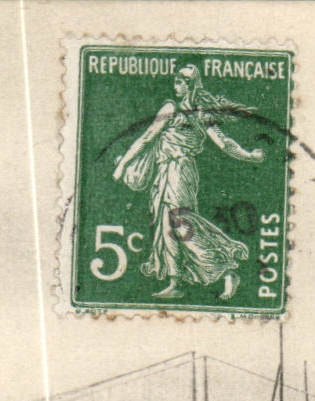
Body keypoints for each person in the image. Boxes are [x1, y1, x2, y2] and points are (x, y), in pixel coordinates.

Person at [112, 64, 265, 301]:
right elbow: (148, 137)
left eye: (180, 82)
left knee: (181, 223)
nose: (176, 86)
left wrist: (249, 156)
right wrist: (250, 156)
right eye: (176, 81)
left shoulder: (184, 111)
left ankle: (226, 270)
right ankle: (176, 282)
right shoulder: (187, 111)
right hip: (166, 171)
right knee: (167, 227)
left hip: (179, 170)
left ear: (190, 85)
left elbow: (223, 143)